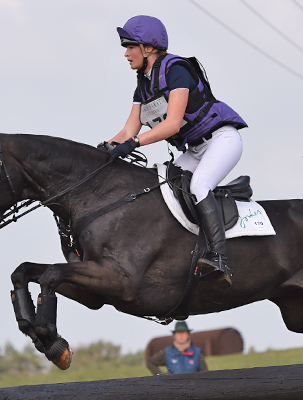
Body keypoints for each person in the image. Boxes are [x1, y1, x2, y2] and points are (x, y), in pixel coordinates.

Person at [107, 15, 248, 288]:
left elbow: (172, 125)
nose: (126, 53)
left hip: (221, 140)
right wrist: (105, 149)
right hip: (196, 150)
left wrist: (135, 143)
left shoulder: (176, 70)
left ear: (148, 48)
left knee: (199, 185)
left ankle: (220, 258)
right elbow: (128, 130)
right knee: (165, 187)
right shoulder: (143, 82)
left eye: (129, 46)